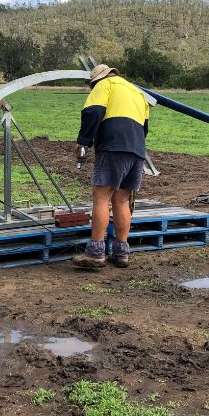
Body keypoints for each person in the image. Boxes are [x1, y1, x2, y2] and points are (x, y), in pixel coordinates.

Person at [71, 64, 150, 270]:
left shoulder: (104, 85)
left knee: (101, 197)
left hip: (113, 147)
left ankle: (96, 253)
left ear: (97, 80)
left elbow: (93, 112)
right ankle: (121, 253)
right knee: (122, 200)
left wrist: (83, 141)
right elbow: (145, 127)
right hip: (137, 150)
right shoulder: (138, 92)